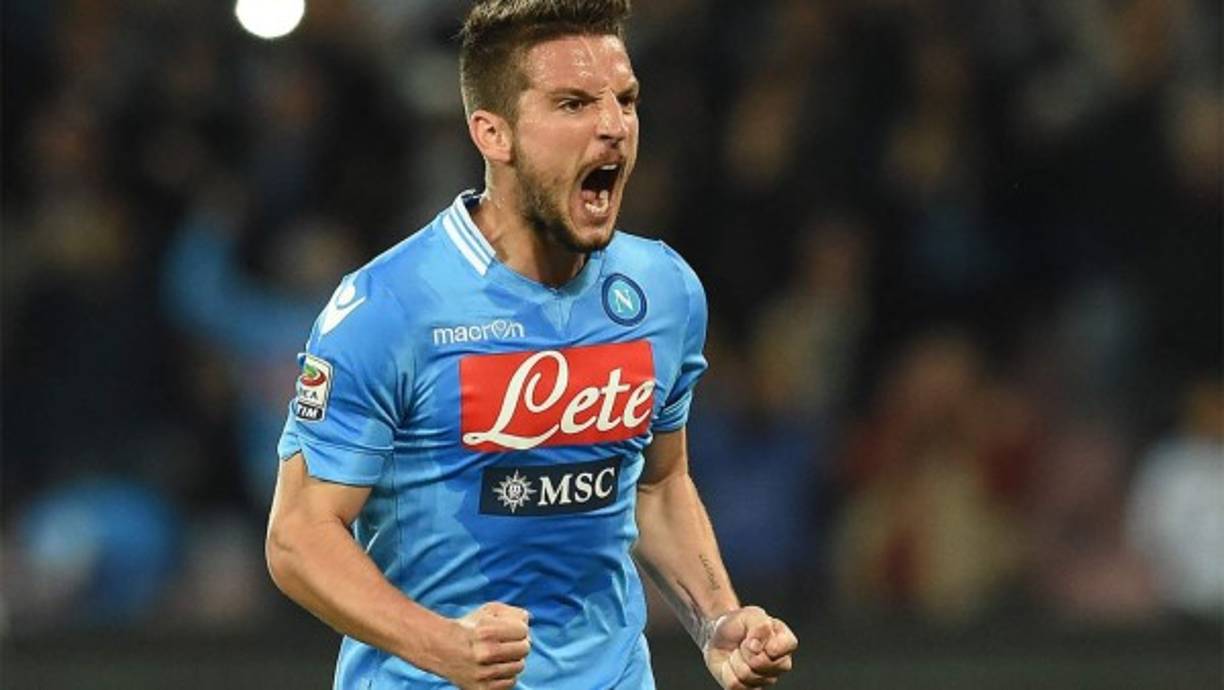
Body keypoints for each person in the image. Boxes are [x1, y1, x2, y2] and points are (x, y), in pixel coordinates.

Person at [265, 1, 799, 688]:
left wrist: (717, 619)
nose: (613, 127)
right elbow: (298, 537)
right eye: (573, 104)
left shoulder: (663, 291)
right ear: (494, 133)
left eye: (625, 99)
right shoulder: (390, 307)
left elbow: (660, 484)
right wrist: (439, 645)